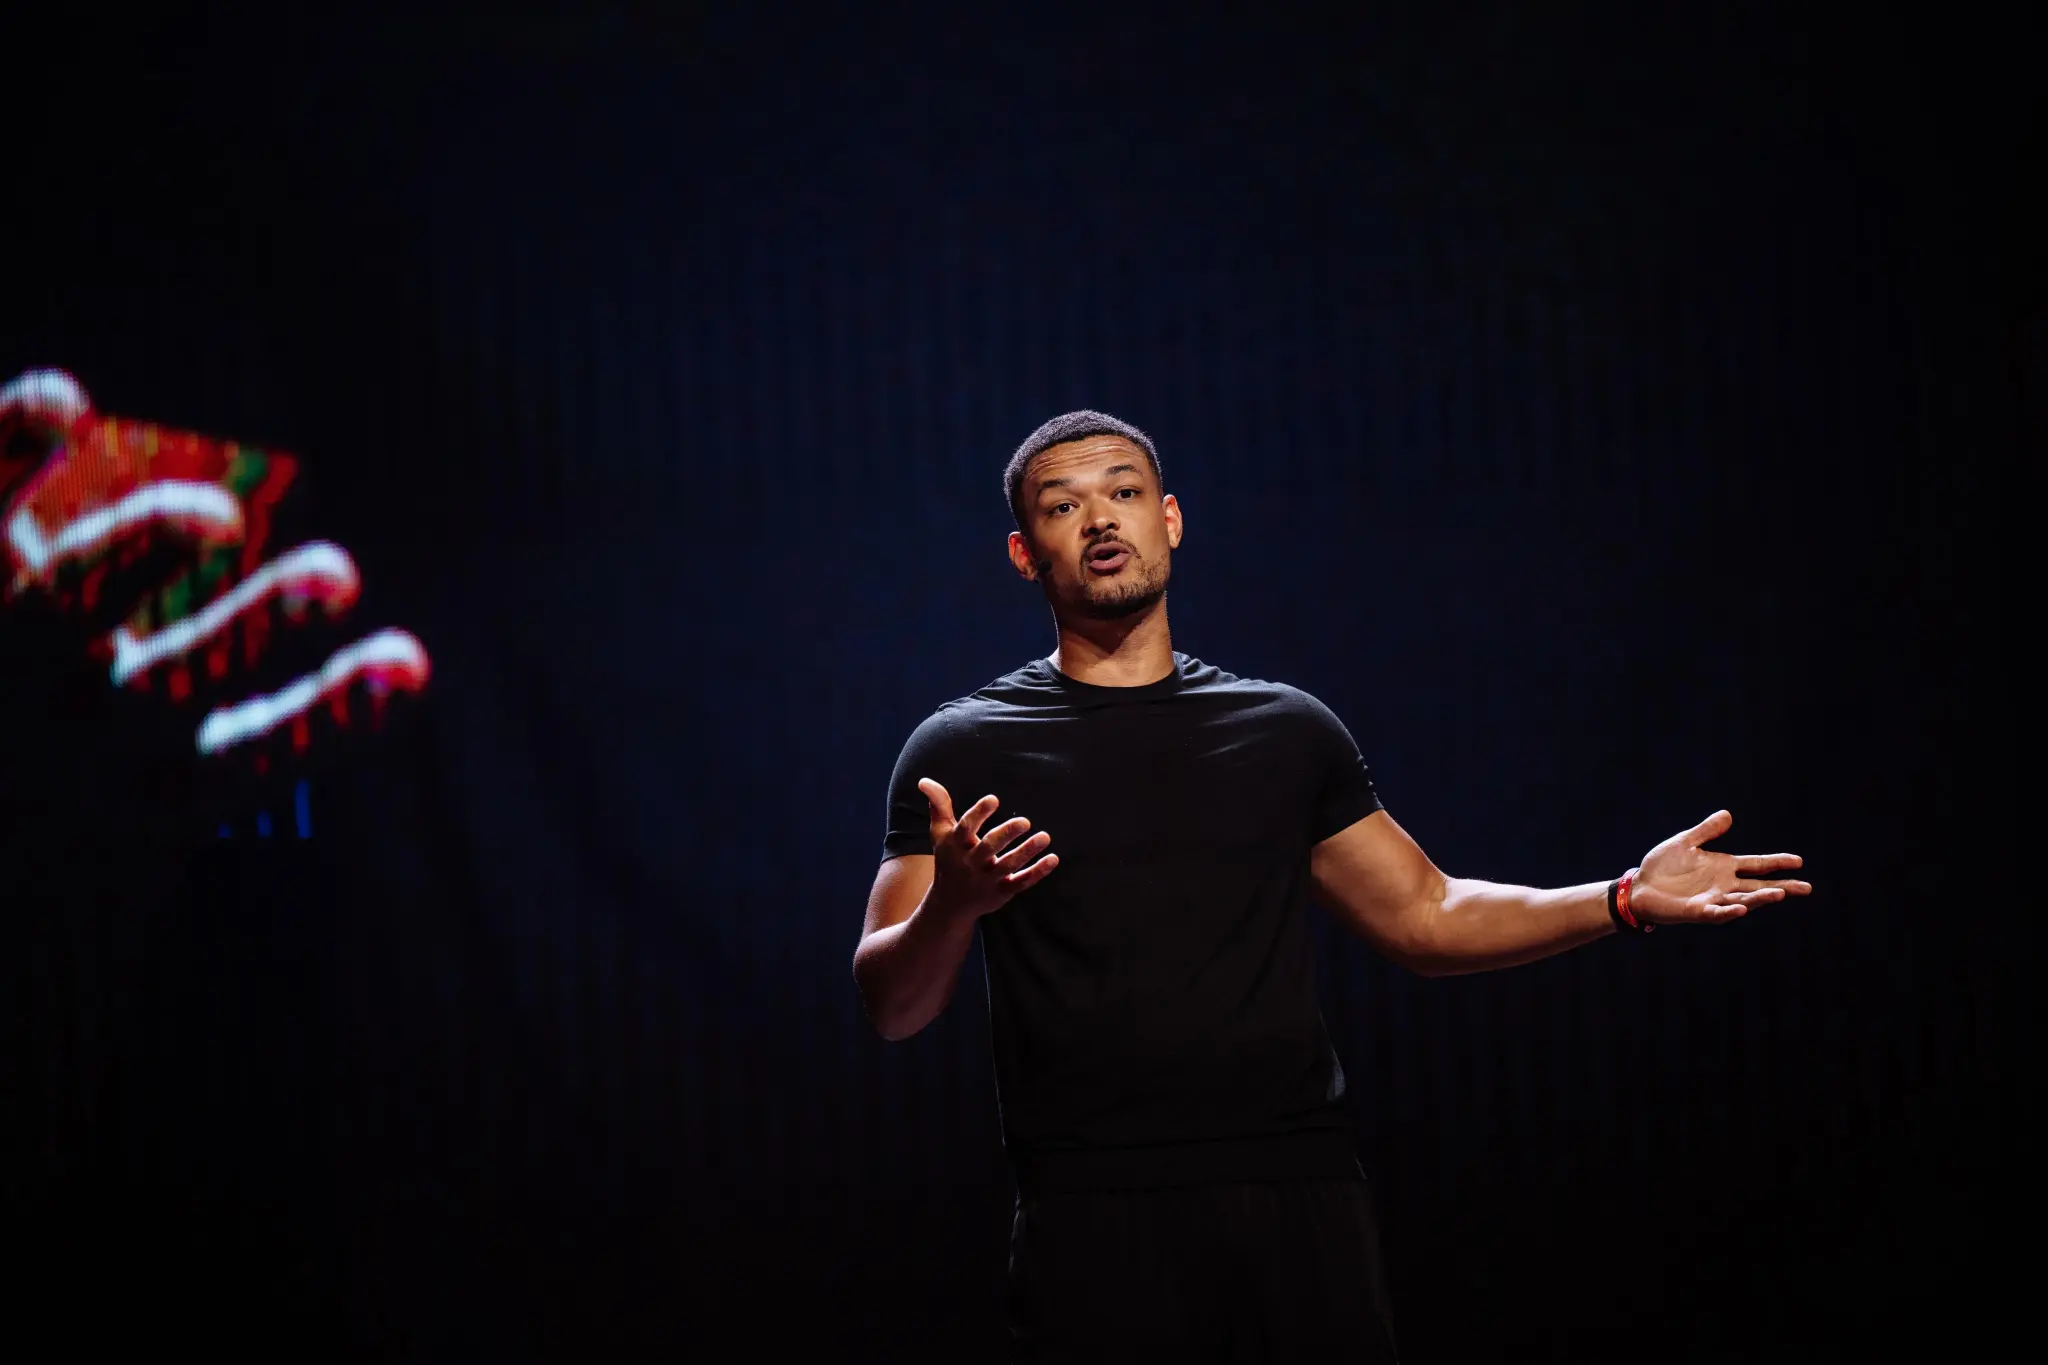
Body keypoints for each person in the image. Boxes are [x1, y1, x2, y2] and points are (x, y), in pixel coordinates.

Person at [851, 411, 1811, 1362]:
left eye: (1126, 493)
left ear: (1171, 518)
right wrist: (956, 902)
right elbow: (892, 1004)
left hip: (1295, 1191)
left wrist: (1623, 896)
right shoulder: (961, 749)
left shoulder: (1284, 732)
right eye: (1065, 505)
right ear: (1025, 552)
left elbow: (1426, 914)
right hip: (1089, 1213)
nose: (1102, 519)